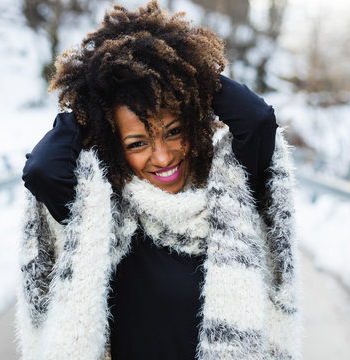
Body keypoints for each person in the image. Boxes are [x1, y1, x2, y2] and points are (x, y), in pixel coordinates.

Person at [17, 2, 301, 360]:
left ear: (195, 124)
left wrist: (188, 73)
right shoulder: (103, 216)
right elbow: (42, 170)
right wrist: (93, 98)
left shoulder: (231, 196)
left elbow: (257, 120)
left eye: (173, 131)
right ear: (114, 146)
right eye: (137, 143)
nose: (163, 156)